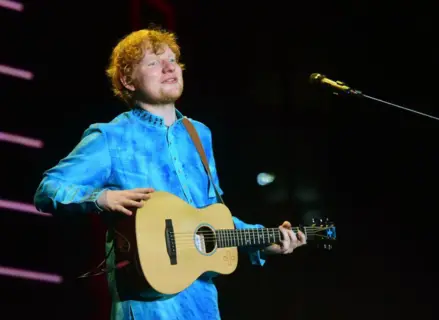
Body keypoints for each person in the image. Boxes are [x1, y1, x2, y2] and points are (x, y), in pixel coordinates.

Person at [33, 27, 306, 320]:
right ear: (127, 80)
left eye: (173, 60)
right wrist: (103, 197)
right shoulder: (109, 137)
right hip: (147, 303)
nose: (169, 67)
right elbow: (49, 189)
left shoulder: (199, 134)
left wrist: (263, 242)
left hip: (201, 302)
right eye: (153, 62)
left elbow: (212, 217)